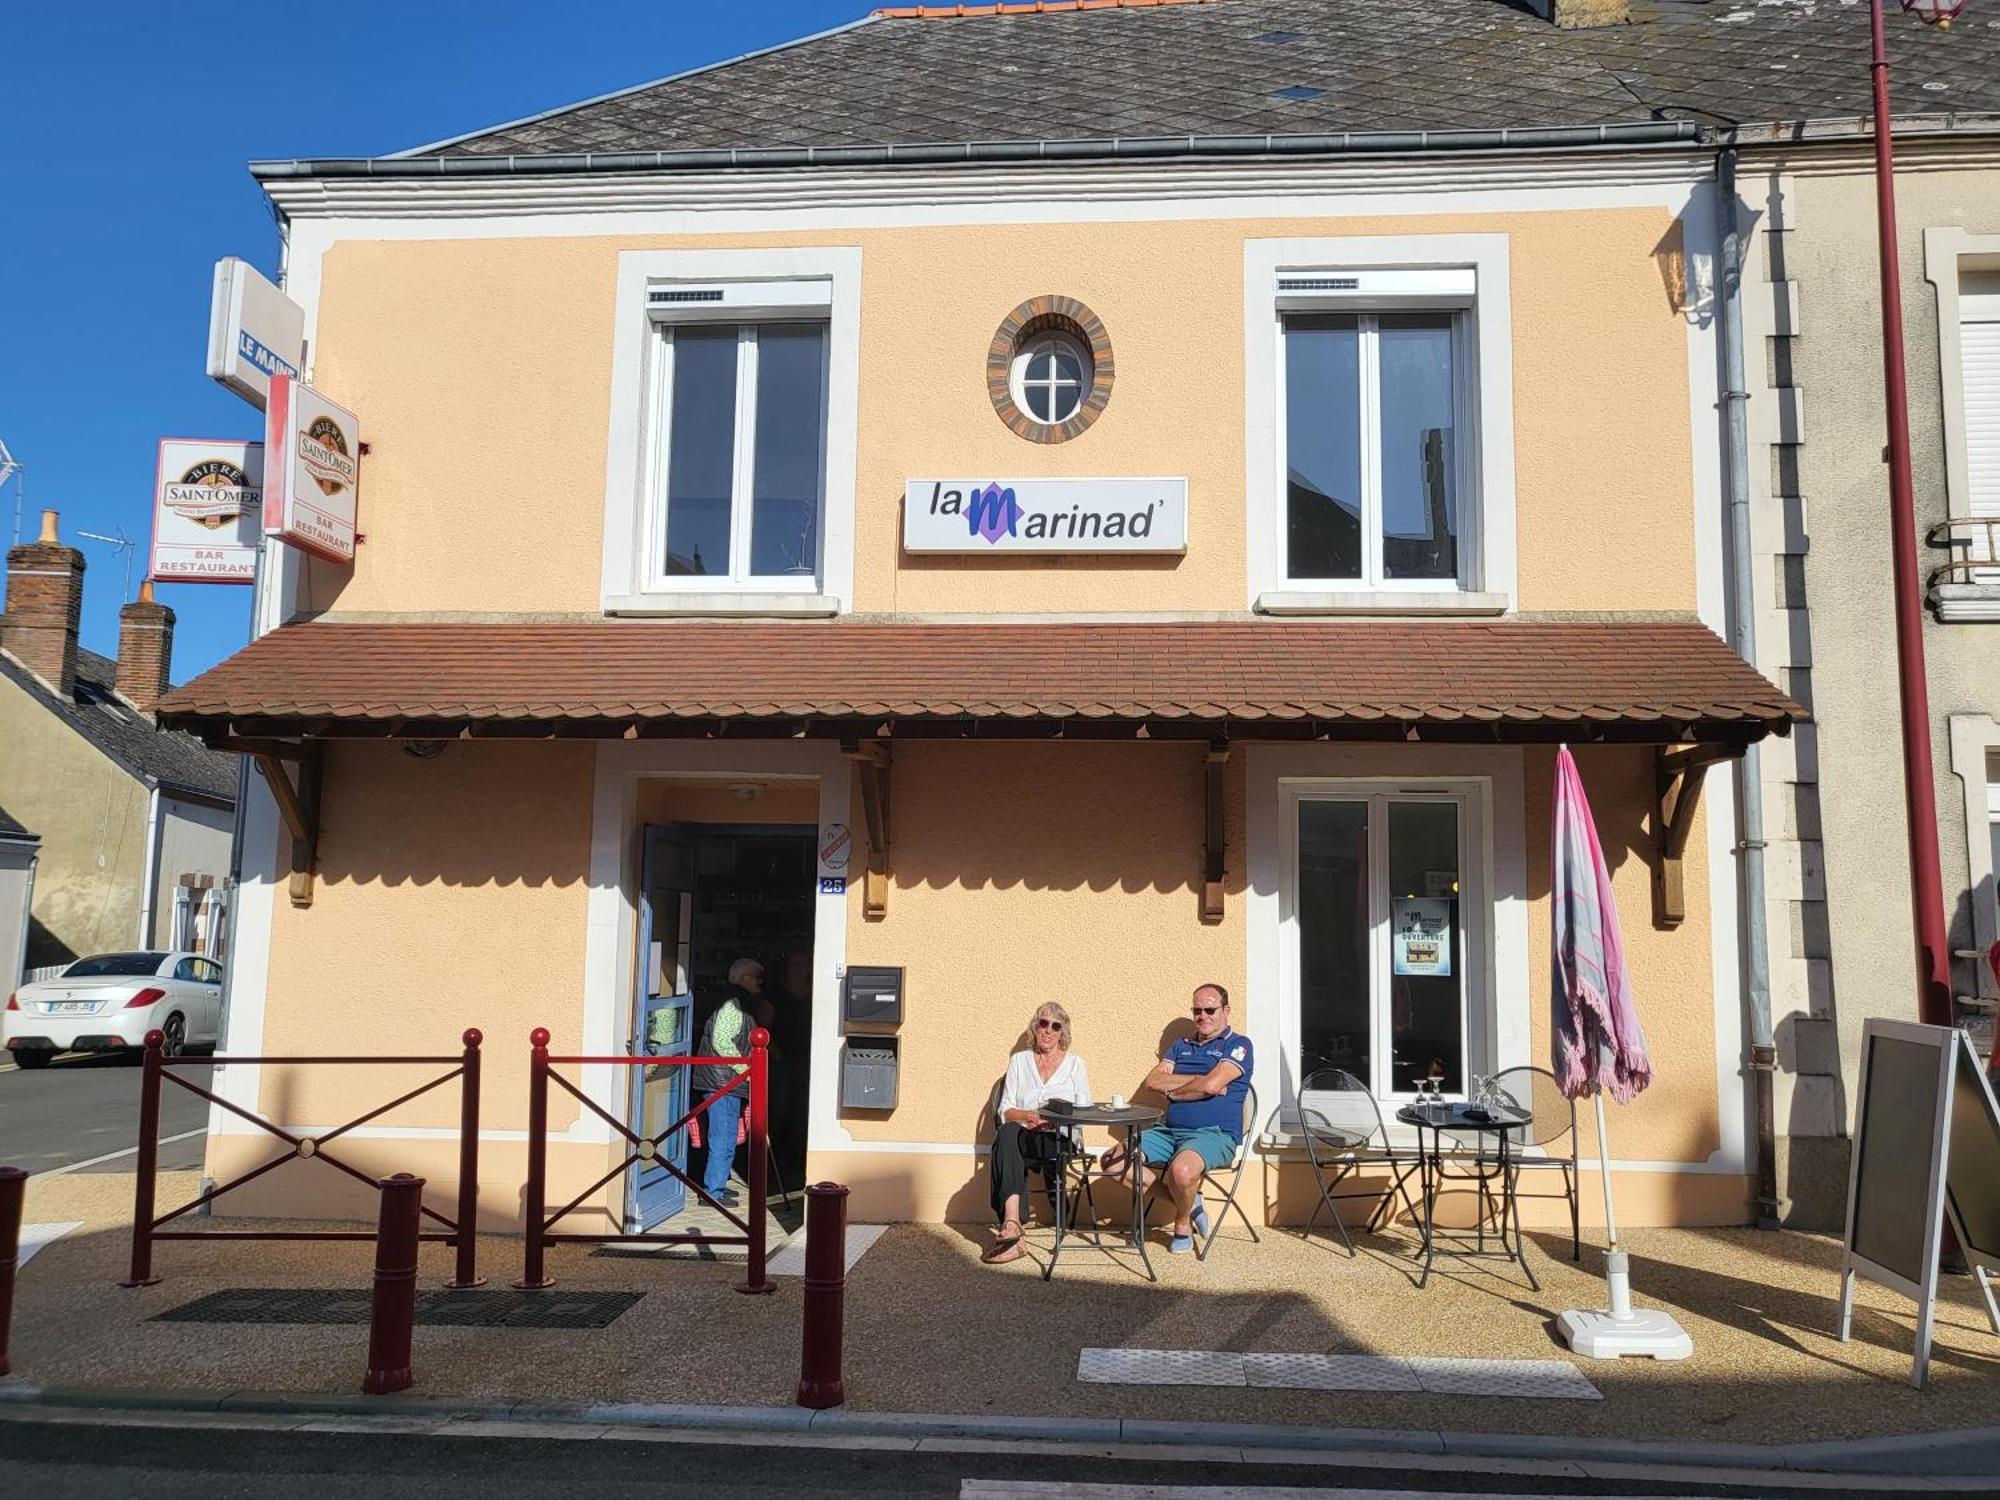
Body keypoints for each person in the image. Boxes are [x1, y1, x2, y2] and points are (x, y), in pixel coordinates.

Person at [1103, 982, 1252, 1254]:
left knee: (1181, 1172)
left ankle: (1182, 1223)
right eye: (1197, 1010)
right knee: (1112, 1162)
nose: (1203, 1016)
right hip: (1168, 1132)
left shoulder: (1238, 1045)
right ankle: (1187, 1199)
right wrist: (1198, 1081)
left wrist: (1178, 1090)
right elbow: (1154, 1081)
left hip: (1214, 1134)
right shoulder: (1179, 1046)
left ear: (1226, 1010)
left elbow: (1211, 1085)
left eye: (1210, 1009)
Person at [983, 1001, 1091, 1265]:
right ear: (1035, 1026)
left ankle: (1013, 1233)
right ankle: (1012, 1224)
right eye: (1043, 1023)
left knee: (1007, 1144)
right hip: (1025, 1135)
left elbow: (1084, 1110)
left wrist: (1055, 1121)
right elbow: (1005, 1109)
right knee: (1008, 1133)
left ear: (1062, 1032)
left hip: (1058, 1139)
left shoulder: (1076, 1064)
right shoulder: (1019, 1061)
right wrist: (1028, 1116)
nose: (1048, 1031)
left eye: (1056, 1026)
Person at [690, 956, 762, 1209]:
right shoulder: (733, 1004)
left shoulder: (736, 1001)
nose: (762, 983)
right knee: (723, 1136)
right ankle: (712, 1192)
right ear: (745, 979)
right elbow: (722, 1042)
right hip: (723, 1081)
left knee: (727, 1136)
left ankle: (717, 1185)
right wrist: (747, 1070)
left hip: (723, 1080)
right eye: (758, 977)